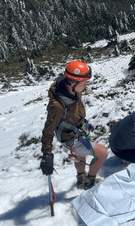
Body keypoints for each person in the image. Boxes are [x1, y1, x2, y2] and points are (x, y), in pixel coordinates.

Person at [39, 60, 108, 190]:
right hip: (71, 137)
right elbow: (48, 130)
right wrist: (46, 154)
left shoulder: (72, 89)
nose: (86, 85)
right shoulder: (57, 106)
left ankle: (81, 179)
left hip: (76, 130)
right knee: (103, 153)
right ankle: (89, 182)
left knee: (80, 155)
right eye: (84, 82)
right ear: (72, 83)